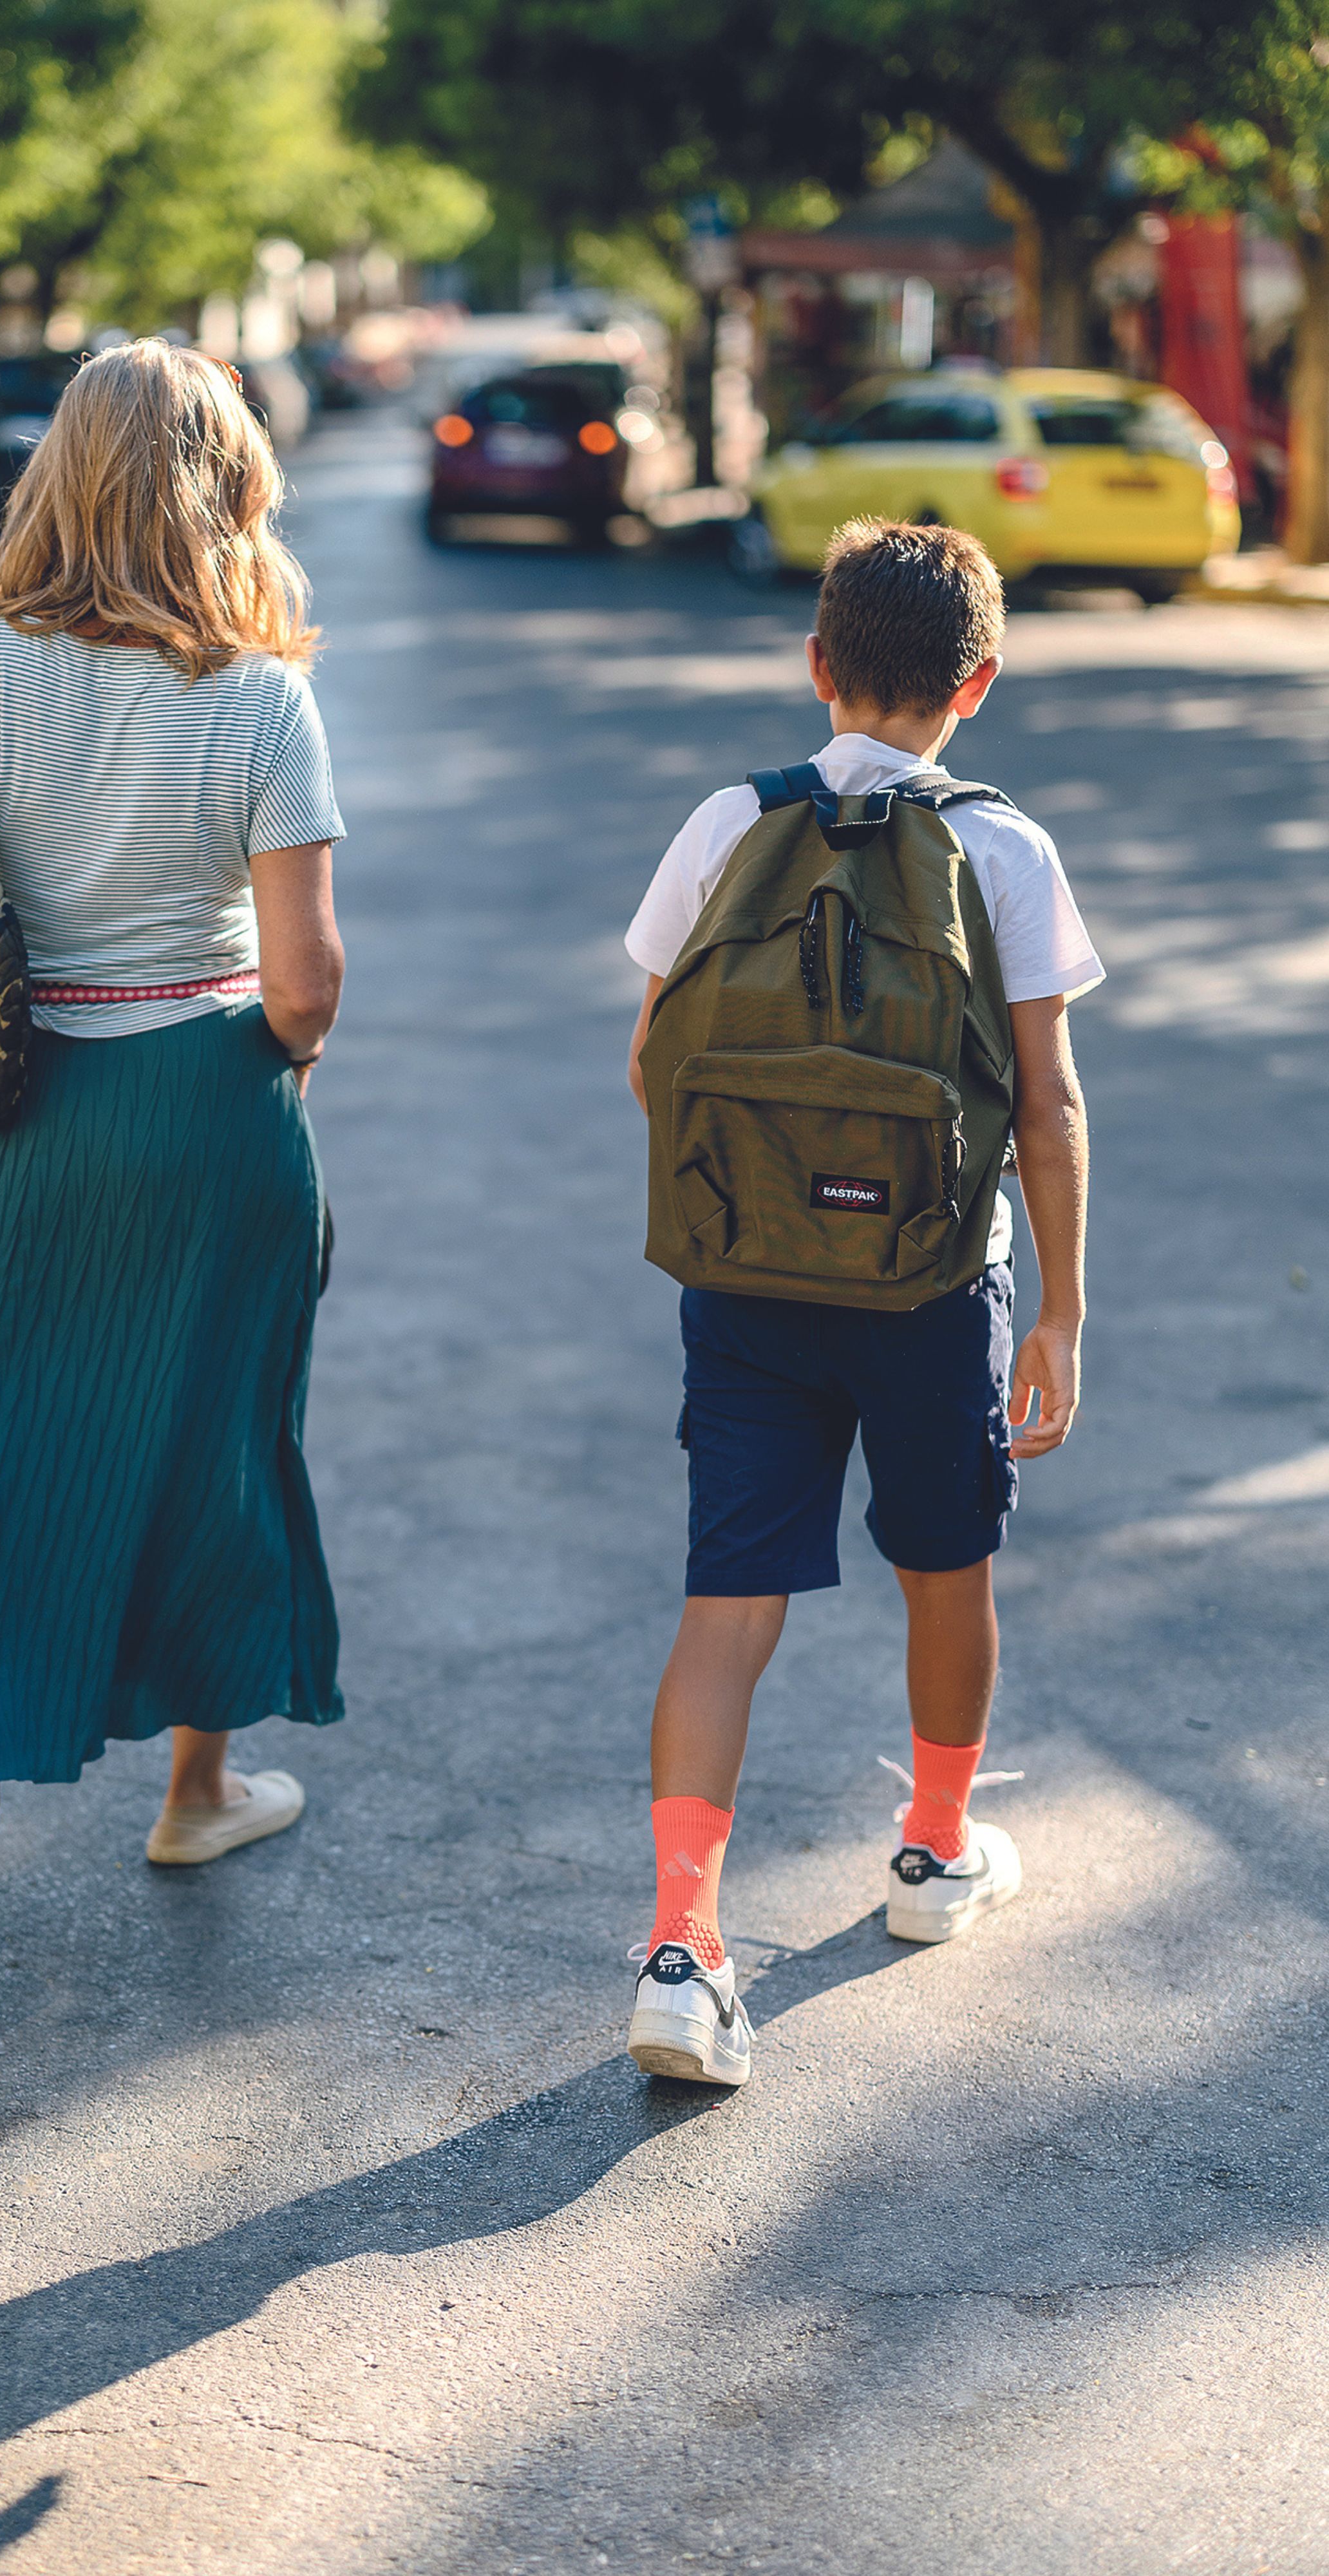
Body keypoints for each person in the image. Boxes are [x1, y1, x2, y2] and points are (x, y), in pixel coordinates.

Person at [0, 340, 346, 1995]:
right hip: (206, 1106)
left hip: (4, 1114)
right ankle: (197, 1792)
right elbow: (307, 981)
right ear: (223, 483)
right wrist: (269, 1072)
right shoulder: (262, 695)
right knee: (213, 1449)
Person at [621, 518, 1100, 2086]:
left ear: (816, 664)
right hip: (931, 1285)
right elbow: (1047, 1103)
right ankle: (934, 1849)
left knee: (726, 1605)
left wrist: (760, 1197)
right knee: (945, 1571)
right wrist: (1060, 1314)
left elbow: (655, 1057)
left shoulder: (722, 822)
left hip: (745, 1275)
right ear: (981, 682)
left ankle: (684, 1945)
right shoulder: (1005, 849)